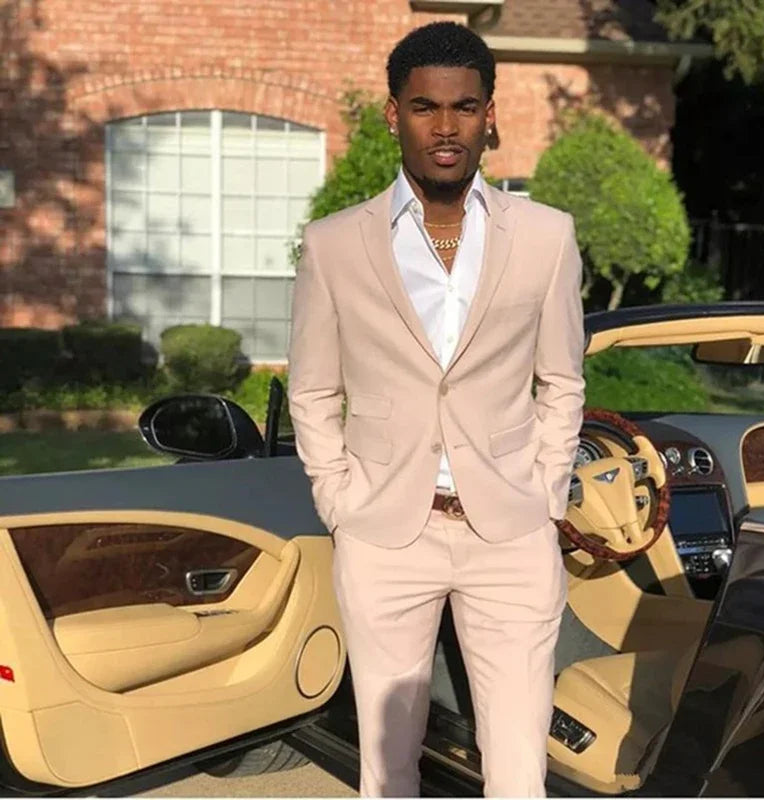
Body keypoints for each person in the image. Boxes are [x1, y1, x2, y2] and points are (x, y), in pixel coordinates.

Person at [288, 20, 585, 798]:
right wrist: (339, 500)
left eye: (464, 107)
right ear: (395, 114)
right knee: (387, 767)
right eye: (425, 107)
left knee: (518, 767)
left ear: (490, 115)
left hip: (512, 532)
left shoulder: (547, 236)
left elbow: (562, 380)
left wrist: (548, 496)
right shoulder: (334, 244)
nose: (445, 127)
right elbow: (313, 390)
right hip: (386, 532)